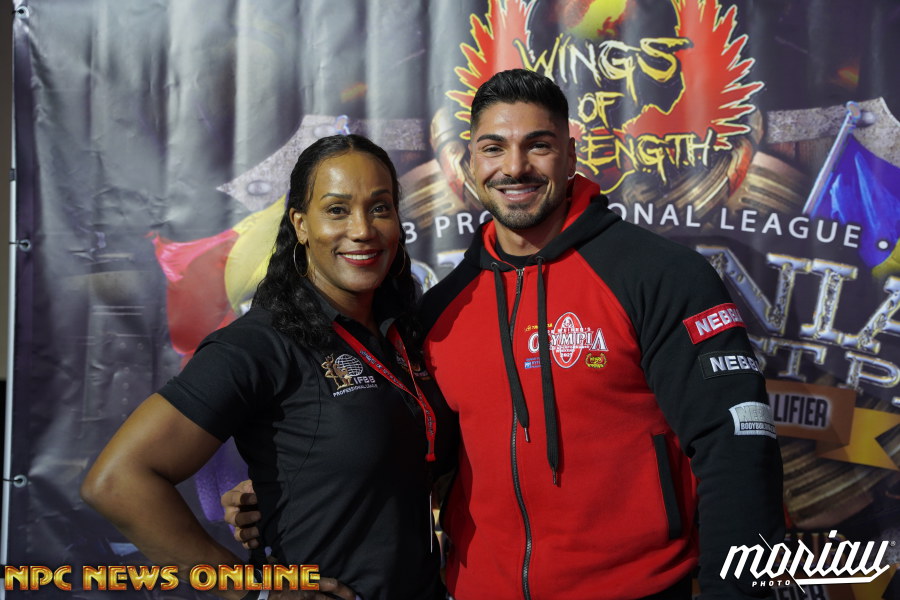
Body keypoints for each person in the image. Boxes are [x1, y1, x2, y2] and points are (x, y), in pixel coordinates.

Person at [226, 70, 785, 599]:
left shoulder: (659, 275)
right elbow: (416, 455)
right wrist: (293, 488)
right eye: (494, 148)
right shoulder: (442, 309)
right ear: (472, 161)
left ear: (571, 154)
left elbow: (738, 447)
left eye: (538, 145)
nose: (514, 167)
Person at [81, 134, 455, 600]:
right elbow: (116, 481)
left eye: (379, 208)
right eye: (337, 210)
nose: (362, 229)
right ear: (300, 223)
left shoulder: (405, 332)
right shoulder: (260, 342)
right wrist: (254, 592)